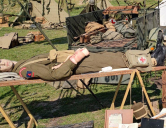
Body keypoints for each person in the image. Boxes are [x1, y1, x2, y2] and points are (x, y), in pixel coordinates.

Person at [0, 48, 154, 82]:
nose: (3, 63)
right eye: (0, 67)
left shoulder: (23, 61)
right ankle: (153, 61)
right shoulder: (24, 70)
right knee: (117, 62)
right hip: (77, 64)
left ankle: (148, 55)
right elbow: (55, 75)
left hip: (75, 58)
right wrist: (76, 57)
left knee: (113, 56)